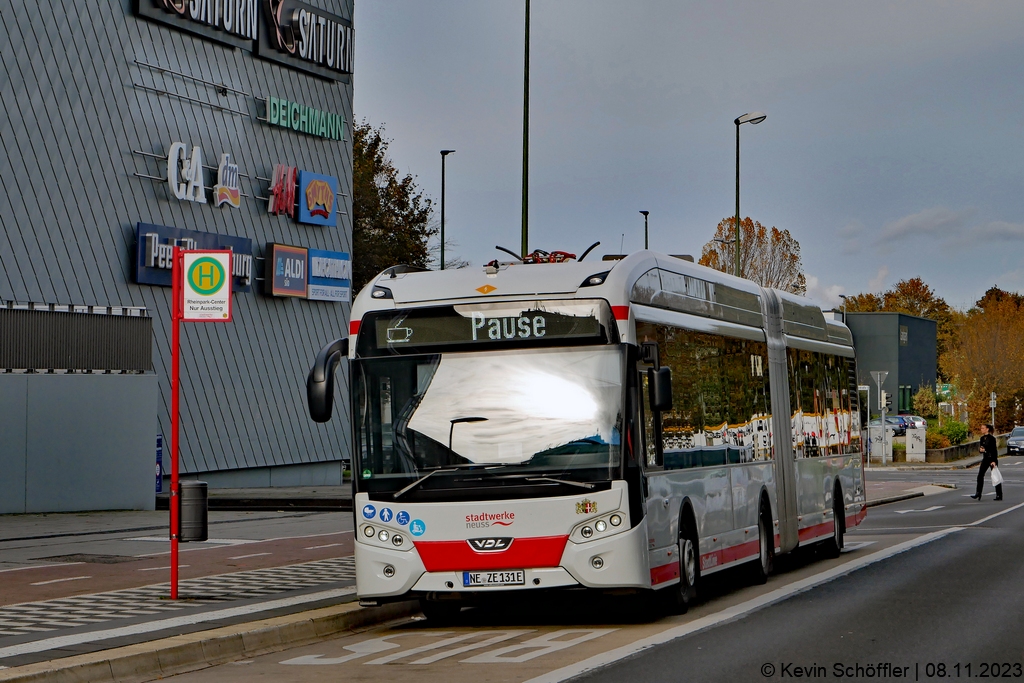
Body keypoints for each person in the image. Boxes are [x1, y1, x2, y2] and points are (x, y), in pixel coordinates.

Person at [971, 424, 1002, 501]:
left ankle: (999, 494)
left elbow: (994, 450)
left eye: (983, 428)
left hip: (992, 459)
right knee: (980, 475)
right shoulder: (982, 438)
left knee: (995, 476)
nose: (981, 429)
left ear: (987, 429)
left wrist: (994, 461)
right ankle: (978, 493)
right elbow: (982, 448)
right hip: (985, 459)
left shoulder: (992, 439)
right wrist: (981, 450)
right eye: (981, 428)